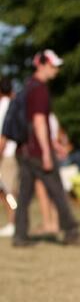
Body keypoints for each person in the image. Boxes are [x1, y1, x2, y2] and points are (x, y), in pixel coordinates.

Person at [12, 49, 80, 247]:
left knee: (24, 196)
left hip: (24, 151)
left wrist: (54, 144)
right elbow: (39, 122)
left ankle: (20, 236)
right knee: (57, 191)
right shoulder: (39, 89)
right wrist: (48, 152)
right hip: (38, 153)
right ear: (41, 64)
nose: (56, 70)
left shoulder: (27, 88)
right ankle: (71, 232)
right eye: (53, 65)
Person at [0, 77, 18, 237]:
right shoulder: (12, 104)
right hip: (9, 154)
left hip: (5, 155)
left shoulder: (4, 107)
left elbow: (2, 136)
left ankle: (13, 222)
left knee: (9, 191)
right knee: (6, 190)